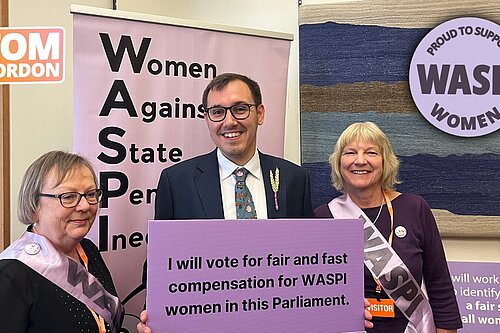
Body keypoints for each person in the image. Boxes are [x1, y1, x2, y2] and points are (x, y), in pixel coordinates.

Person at [314, 122, 462, 332]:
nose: (360, 160)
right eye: (350, 152)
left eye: (371, 152)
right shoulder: (322, 217)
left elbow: (439, 283)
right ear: (339, 163)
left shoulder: (414, 208)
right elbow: (315, 290)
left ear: (385, 162)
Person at [0, 151, 124, 333]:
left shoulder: (89, 251)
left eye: (90, 194)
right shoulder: (11, 275)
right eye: (68, 196)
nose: (84, 206)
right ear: (34, 206)